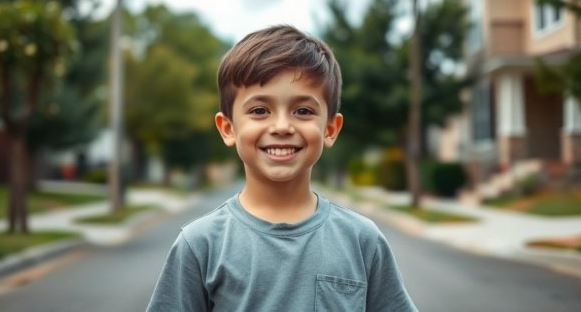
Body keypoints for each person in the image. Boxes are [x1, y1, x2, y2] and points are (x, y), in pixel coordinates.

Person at [146, 25, 418, 312]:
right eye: (259, 111)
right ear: (228, 128)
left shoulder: (363, 240)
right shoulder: (200, 244)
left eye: (303, 111)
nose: (282, 127)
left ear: (330, 129)